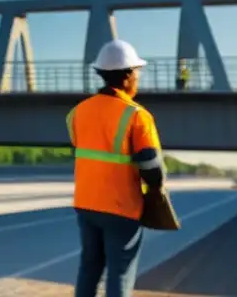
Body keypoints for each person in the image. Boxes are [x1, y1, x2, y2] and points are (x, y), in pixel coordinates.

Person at [67, 39, 166, 297]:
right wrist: (156, 190)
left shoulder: (78, 112)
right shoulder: (136, 115)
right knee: (119, 273)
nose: (138, 78)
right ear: (128, 76)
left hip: (86, 204)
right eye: (137, 72)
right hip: (121, 207)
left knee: (89, 267)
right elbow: (150, 164)